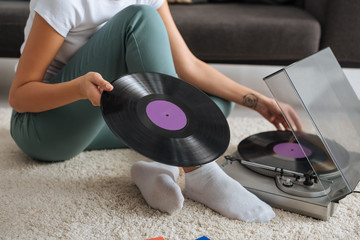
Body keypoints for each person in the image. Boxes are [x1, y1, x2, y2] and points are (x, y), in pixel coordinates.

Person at [8, 0, 299, 222]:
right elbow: (19, 96)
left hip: (98, 116)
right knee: (139, 18)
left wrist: (260, 101)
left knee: (212, 107)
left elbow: (187, 65)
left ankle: (160, 165)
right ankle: (201, 173)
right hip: (44, 128)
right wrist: (78, 89)